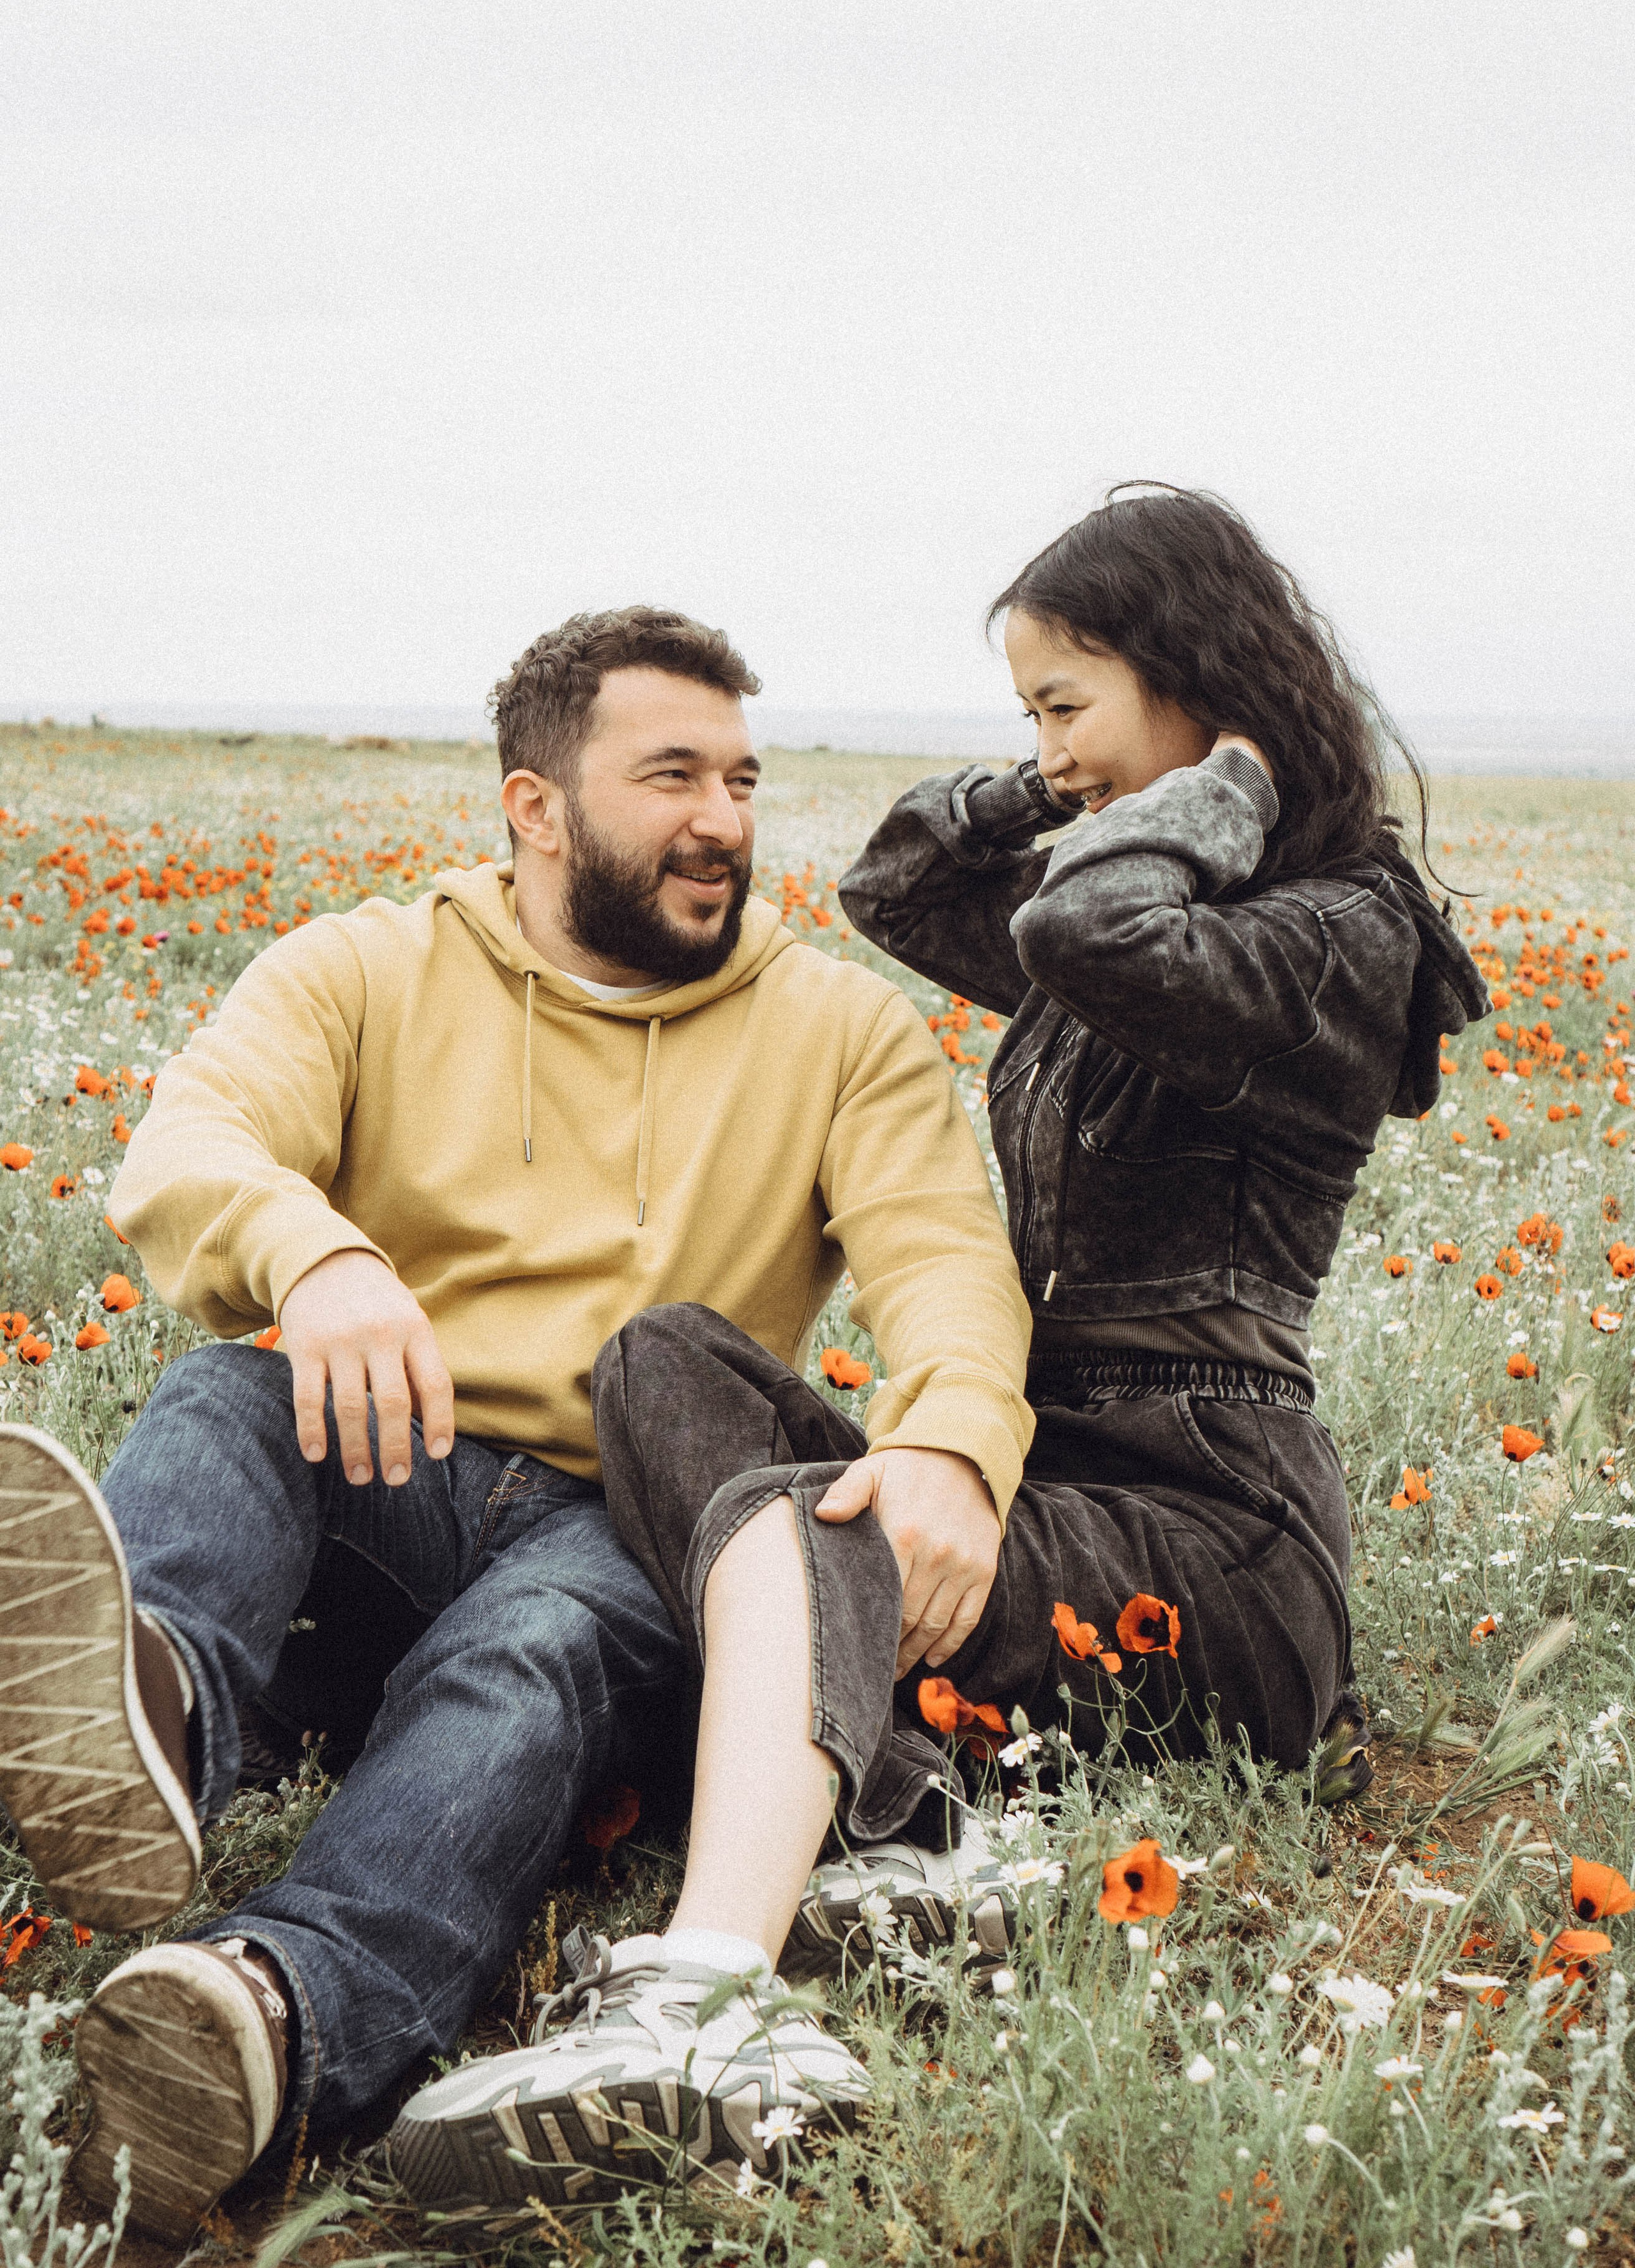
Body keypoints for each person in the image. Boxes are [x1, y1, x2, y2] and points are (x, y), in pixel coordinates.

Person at [389, 489, 1488, 2212]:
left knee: (814, 1527)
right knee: (663, 1359)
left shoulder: (1336, 929)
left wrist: (1222, 792)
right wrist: (1050, 786)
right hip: (1050, 1486)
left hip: (1213, 1531)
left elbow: (1079, 930)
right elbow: (900, 880)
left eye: (1066, 708)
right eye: (1029, 717)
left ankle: (708, 2005)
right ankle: (924, 1850)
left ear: (1197, 682)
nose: (1048, 754)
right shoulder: (1142, 893)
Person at [0, 607, 1033, 2239]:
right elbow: (188, 1145)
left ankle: (265, 2015)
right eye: (672, 774)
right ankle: (144, 1733)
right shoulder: (366, 966)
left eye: (743, 778)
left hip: (625, 1527)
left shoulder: (839, 1033)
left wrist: (951, 1442)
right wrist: (318, 1254)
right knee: (230, 1393)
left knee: (537, 1644)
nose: (723, 820)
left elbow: (948, 1273)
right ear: (534, 806)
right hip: (382, 1477)